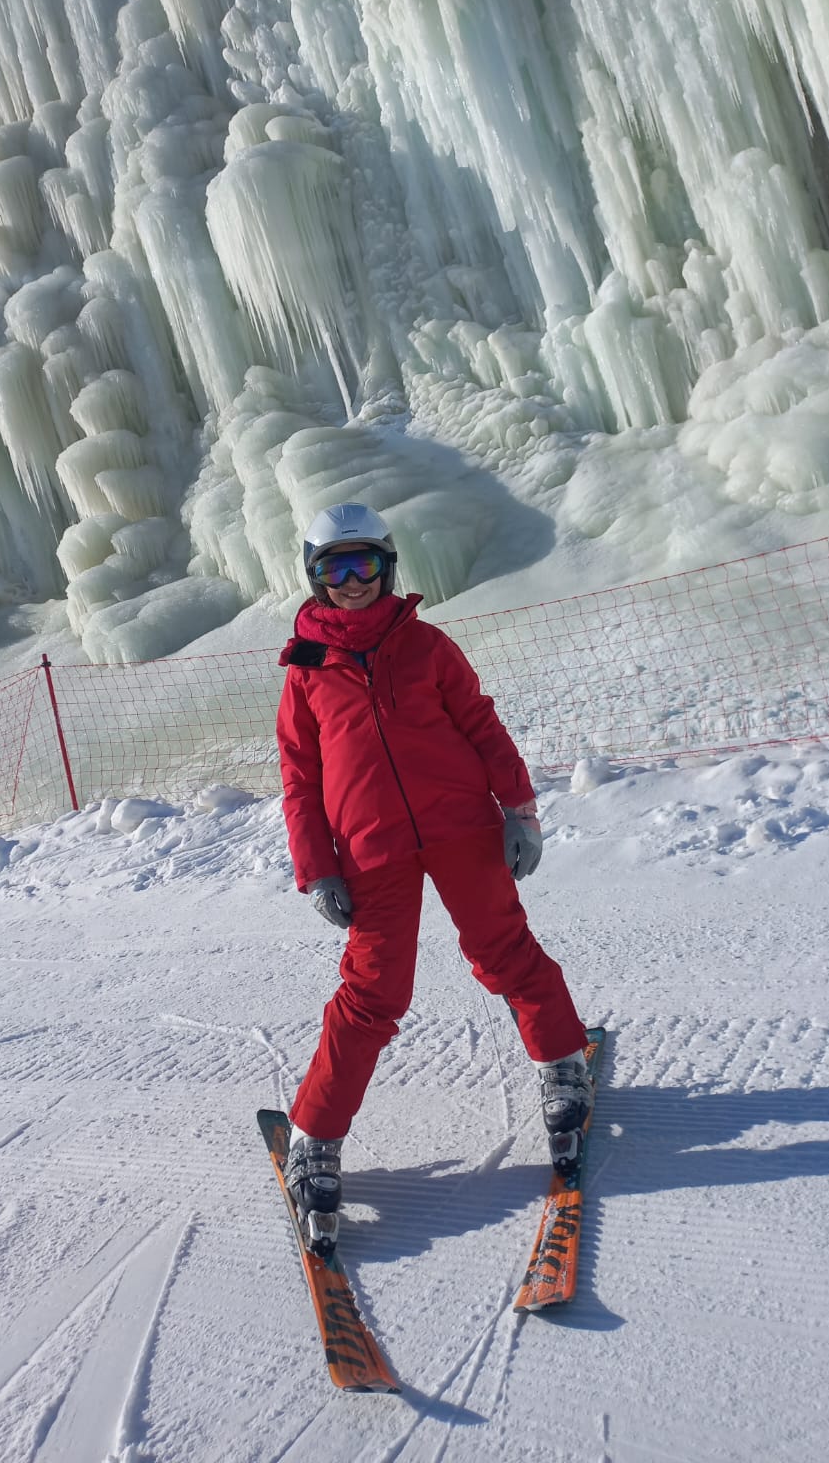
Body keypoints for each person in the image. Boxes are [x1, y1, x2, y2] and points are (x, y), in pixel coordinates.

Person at [276, 502, 590, 1255]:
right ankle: (313, 1137)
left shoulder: (427, 645)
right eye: (334, 568)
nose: (352, 582)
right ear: (313, 577)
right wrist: (317, 869)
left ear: (389, 565)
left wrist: (519, 808)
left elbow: (481, 724)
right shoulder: (306, 672)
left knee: (504, 950)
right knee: (375, 990)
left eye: (365, 565)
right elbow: (299, 781)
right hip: (371, 851)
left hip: (464, 830)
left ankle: (563, 1065)